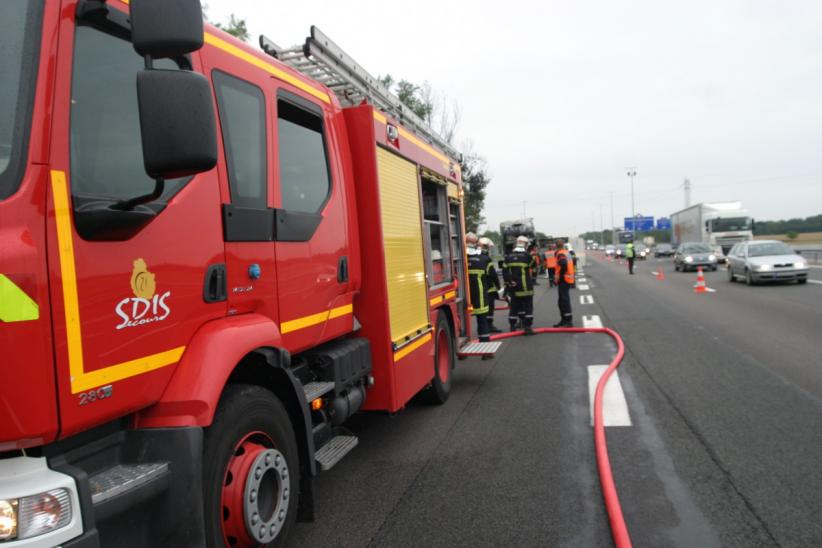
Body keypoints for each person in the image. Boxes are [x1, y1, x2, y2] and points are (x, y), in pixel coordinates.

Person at [503, 235, 536, 335]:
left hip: (513, 287)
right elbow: (534, 267)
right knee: (528, 307)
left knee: (514, 307)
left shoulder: (508, 256)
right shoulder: (527, 256)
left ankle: (512, 326)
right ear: (525, 245)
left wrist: (509, 281)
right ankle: (528, 328)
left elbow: (505, 271)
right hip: (526, 286)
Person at [466, 233, 494, 347]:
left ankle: (462, 350)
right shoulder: (484, 258)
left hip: (464, 297)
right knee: (482, 321)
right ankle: (485, 348)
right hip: (480, 296)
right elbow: (492, 276)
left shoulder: (458, 257)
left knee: (463, 322)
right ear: (476, 243)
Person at [479, 237, 503, 333]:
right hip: (488, 288)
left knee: (481, 308)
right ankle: (489, 325)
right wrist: (498, 286)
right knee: (489, 307)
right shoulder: (486, 259)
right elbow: (493, 274)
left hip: (478, 288)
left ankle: (483, 326)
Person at [553, 239, 575, 327]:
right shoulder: (566, 252)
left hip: (564, 280)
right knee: (562, 300)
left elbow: (563, 264)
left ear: (556, 246)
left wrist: (560, 277)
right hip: (568, 279)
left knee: (564, 300)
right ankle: (564, 320)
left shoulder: (560, 254)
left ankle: (568, 321)